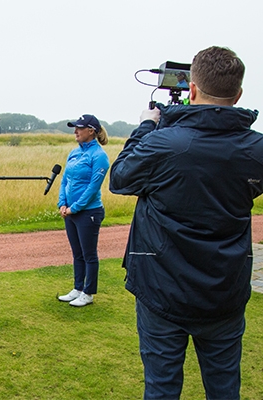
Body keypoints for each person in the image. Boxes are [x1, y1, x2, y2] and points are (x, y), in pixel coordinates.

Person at [109, 46, 263, 399]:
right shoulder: (256, 149)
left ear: (191, 90)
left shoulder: (163, 143)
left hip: (163, 290)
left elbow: (120, 178)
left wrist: (148, 125)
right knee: (224, 388)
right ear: (238, 95)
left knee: (162, 388)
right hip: (225, 289)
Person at [57, 114, 109, 307]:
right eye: (75, 128)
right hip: (70, 212)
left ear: (91, 131)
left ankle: (88, 293)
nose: (75, 131)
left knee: (89, 254)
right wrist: (62, 203)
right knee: (77, 253)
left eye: (79, 128)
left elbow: (92, 188)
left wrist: (74, 208)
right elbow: (65, 180)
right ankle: (78, 288)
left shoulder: (99, 156)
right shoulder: (74, 152)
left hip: (89, 212)